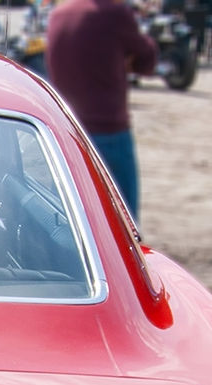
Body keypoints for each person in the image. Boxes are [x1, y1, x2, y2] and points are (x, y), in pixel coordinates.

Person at [44, 0, 156, 221]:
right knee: (124, 225)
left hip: (66, 133)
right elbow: (147, 60)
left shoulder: (59, 14)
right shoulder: (115, 15)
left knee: (72, 219)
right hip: (108, 133)